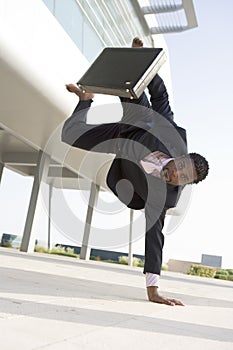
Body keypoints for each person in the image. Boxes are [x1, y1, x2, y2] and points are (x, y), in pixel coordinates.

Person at [62, 38, 209, 306]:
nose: (172, 177)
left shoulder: (163, 198)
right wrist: (144, 63)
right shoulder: (170, 134)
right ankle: (88, 97)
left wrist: (153, 291)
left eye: (180, 180)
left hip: (128, 174)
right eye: (176, 171)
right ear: (179, 157)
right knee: (71, 134)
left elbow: (155, 239)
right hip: (130, 130)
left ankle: (102, 92)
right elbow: (161, 97)